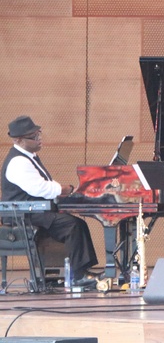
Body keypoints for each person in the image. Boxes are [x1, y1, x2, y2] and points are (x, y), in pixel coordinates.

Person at [2, 116, 98, 285]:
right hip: (23, 214)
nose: (39, 139)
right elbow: (40, 189)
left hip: (34, 211)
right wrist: (66, 189)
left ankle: (81, 272)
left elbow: (45, 185)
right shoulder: (18, 162)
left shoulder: (28, 157)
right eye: (34, 137)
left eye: (38, 134)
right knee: (72, 225)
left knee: (77, 223)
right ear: (18, 140)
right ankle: (79, 276)